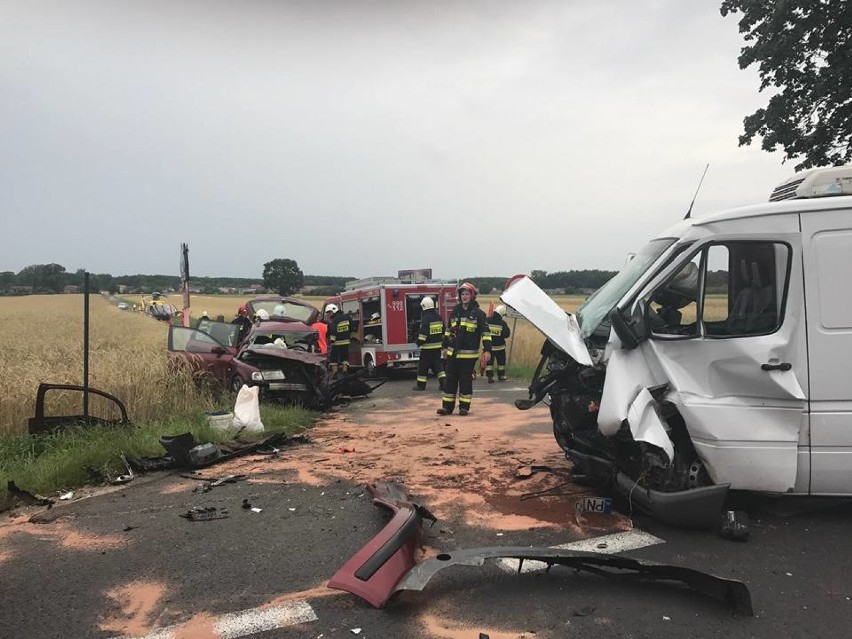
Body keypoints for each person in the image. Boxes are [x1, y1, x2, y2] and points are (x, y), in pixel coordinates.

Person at [438, 283, 492, 416]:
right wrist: (444, 346)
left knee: (465, 381)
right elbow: (448, 330)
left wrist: (487, 350)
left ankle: (464, 407)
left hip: (468, 356)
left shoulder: (479, 314)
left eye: (467, 294)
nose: (464, 296)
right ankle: (447, 407)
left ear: (472, 295)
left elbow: (486, 334)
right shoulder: (455, 311)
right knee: (449, 380)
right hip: (452, 354)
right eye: (462, 294)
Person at [413, 297, 445, 391]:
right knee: (438, 366)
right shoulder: (439, 317)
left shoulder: (425, 318)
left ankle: (421, 386)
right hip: (437, 347)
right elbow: (443, 331)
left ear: (423, 306)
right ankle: (443, 383)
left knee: (423, 366)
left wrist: (418, 343)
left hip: (427, 348)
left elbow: (423, 334)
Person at [485, 305, 511, 382]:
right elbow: (507, 334)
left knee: (489, 363)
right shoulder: (502, 323)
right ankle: (501, 375)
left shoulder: (487, 320)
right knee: (501, 363)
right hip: (500, 347)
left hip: (489, 347)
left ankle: (490, 377)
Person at [327, 303, 352, 375]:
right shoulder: (347, 317)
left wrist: (332, 340)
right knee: (345, 356)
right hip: (346, 342)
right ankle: (345, 369)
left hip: (336, 342)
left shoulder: (334, 320)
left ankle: (335, 372)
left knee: (333, 357)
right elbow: (352, 327)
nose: (328, 315)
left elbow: (333, 330)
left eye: (329, 313)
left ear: (333, 311)